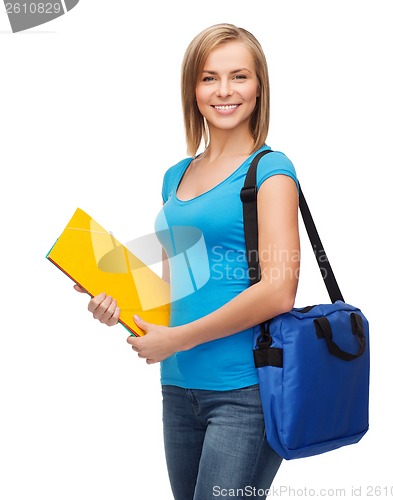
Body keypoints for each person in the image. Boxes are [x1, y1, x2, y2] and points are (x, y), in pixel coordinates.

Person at [75, 23, 300, 500]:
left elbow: (279, 290)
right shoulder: (176, 175)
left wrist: (175, 339)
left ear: (259, 88)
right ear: (192, 90)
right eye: (208, 77)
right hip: (178, 387)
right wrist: (112, 293)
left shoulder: (271, 171)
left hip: (246, 392)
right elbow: (176, 287)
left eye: (239, 76)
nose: (224, 91)